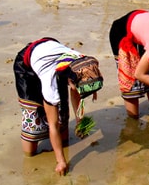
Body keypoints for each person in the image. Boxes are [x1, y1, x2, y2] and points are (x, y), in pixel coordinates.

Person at [13, 38, 103, 175]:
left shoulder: (82, 63)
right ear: (70, 80)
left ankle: (59, 145)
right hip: (26, 68)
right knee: (34, 121)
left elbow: (78, 87)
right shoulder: (50, 78)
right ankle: (30, 160)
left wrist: (80, 121)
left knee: (64, 129)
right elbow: (53, 124)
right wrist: (61, 161)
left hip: (55, 59)